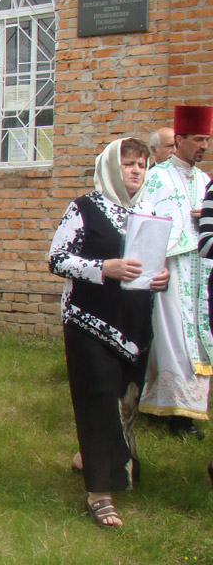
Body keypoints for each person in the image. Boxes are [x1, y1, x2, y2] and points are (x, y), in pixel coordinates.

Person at [49, 137, 169, 529]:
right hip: (89, 319)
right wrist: (104, 268)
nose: (136, 170)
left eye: (142, 164)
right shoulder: (83, 207)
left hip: (134, 320)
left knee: (125, 399)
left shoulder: (150, 211)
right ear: (112, 167)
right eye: (129, 163)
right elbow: (58, 259)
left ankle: (94, 455)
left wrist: (160, 277)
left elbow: (151, 262)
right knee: (99, 394)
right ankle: (99, 494)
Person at [140, 105, 213, 439]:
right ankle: (175, 416)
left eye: (207, 140)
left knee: (198, 341)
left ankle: (191, 412)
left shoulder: (205, 180)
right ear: (179, 138)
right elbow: (146, 224)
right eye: (199, 139)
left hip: (201, 272)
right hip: (170, 270)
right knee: (173, 342)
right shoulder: (156, 177)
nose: (204, 146)